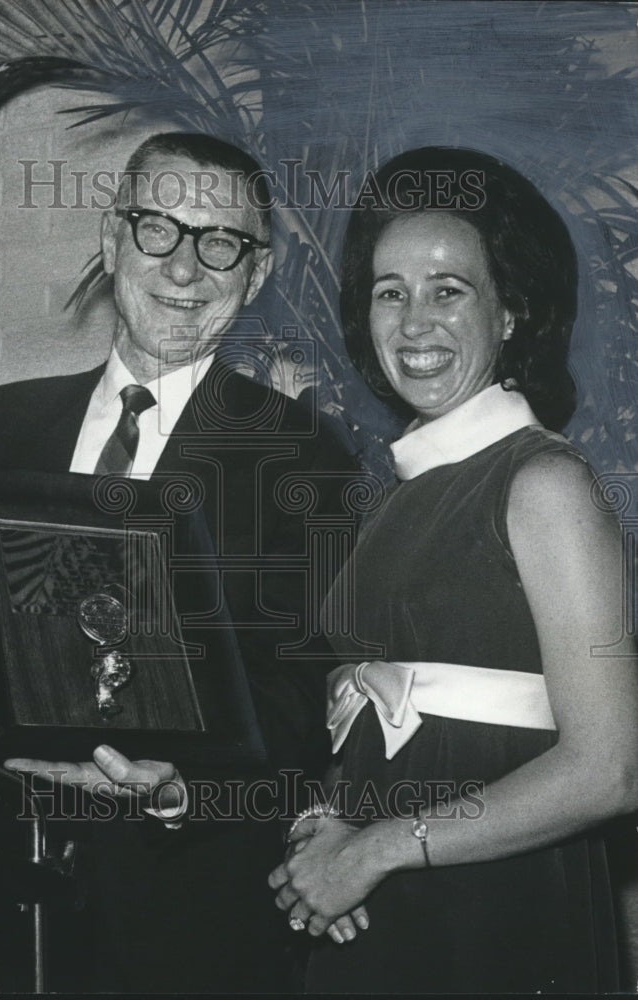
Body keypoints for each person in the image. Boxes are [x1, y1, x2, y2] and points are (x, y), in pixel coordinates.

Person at [0, 131, 358, 992]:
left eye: (220, 242)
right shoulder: (4, 424)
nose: (184, 269)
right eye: (157, 228)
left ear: (254, 274)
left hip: (180, 908)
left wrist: (180, 788)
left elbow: (300, 703)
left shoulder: (303, 458)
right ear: (110, 241)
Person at [268, 146, 638, 993]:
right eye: (388, 292)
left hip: (493, 912)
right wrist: (326, 831)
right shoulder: (392, 496)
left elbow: (610, 767)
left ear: (508, 313)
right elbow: (376, 723)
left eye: (448, 290)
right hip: (379, 900)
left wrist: (372, 849)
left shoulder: (542, 481)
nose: (412, 322)